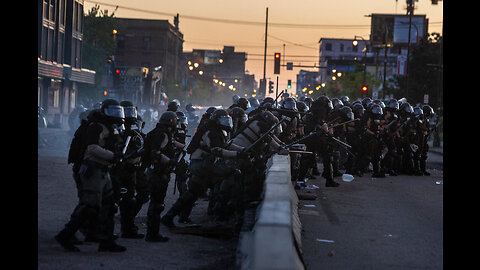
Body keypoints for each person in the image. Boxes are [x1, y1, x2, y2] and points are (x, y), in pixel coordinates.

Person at [55, 99, 127, 252]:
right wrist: (113, 155)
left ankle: (106, 241)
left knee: (108, 206)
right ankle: (66, 235)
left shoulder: (109, 127)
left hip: (104, 170)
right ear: (104, 111)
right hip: (94, 170)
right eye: (112, 111)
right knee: (89, 206)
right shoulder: (96, 126)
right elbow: (92, 148)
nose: (116, 115)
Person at [160, 109, 247, 227]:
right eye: (223, 120)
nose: (226, 123)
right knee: (233, 174)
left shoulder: (216, 131)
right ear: (216, 121)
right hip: (202, 165)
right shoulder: (211, 132)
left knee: (192, 193)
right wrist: (237, 154)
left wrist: (243, 150)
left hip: (201, 164)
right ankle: (221, 214)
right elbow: (217, 150)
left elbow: (226, 144)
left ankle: (170, 216)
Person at [142, 111, 180, 242]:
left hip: (154, 172)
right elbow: (156, 152)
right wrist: (170, 161)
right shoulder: (163, 134)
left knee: (155, 203)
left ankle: (151, 233)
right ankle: (153, 234)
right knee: (157, 204)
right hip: (158, 173)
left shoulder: (156, 132)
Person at [115, 101, 146, 239]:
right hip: (120, 168)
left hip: (134, 168)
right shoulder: (116, 129)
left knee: (134, 198)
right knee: (119, 199)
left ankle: (128, 225)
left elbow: (140, 141)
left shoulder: (134, 127)